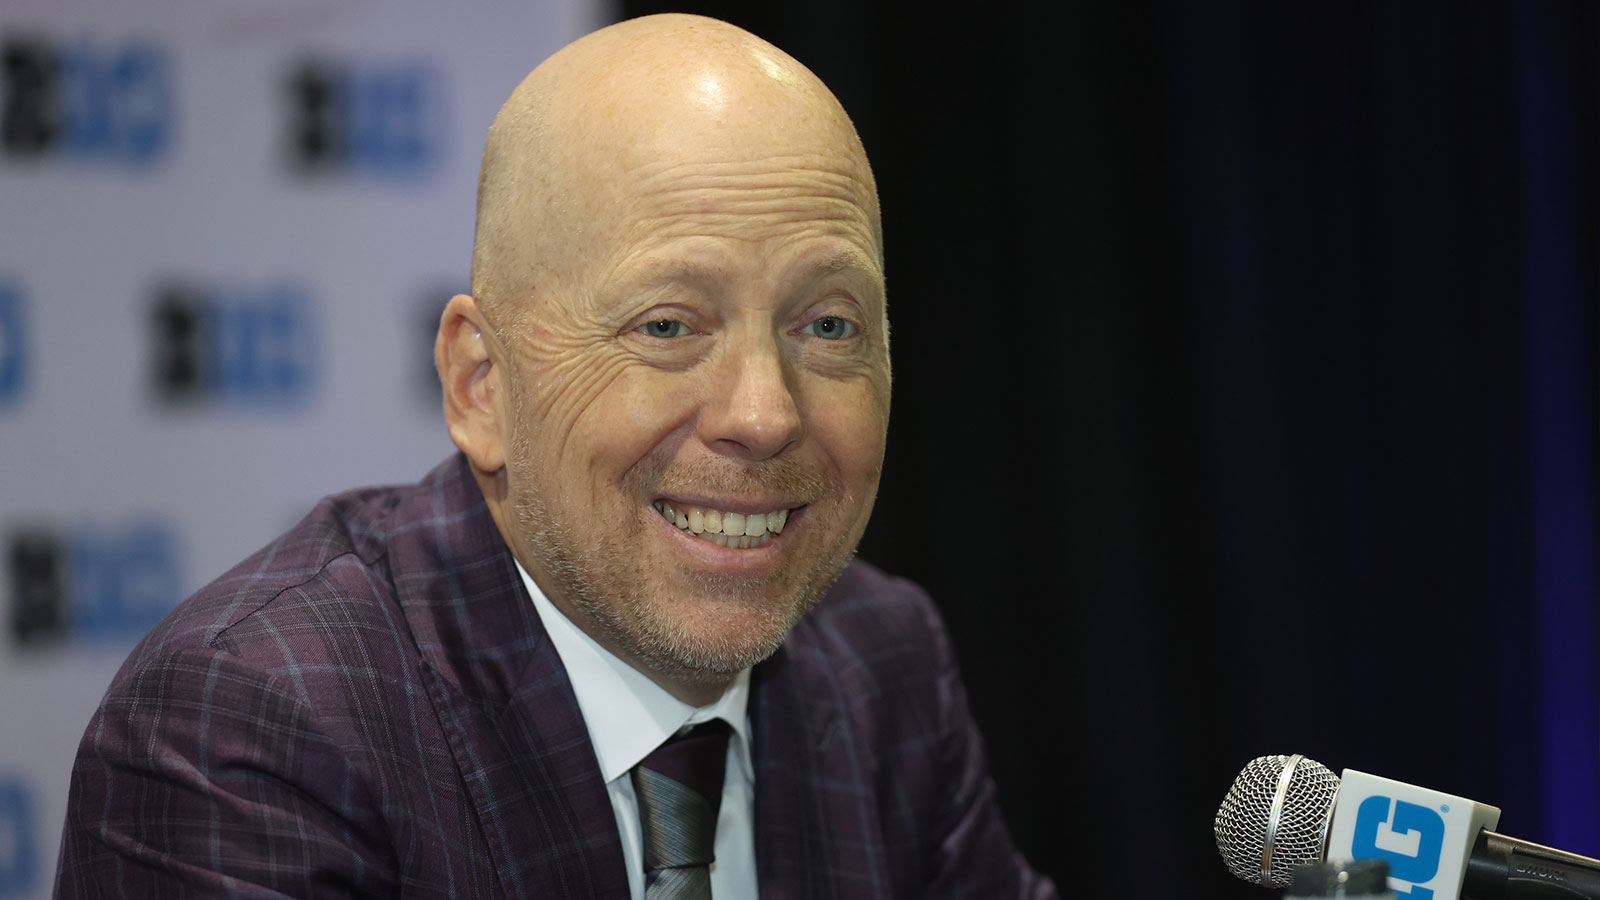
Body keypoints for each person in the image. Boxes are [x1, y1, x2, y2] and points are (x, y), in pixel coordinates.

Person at [55, 14, 1057, 899]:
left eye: (829, 326)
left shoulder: (882, 658)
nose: (763, 415)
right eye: (667, 325)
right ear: (480, 385)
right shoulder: (255, 725)